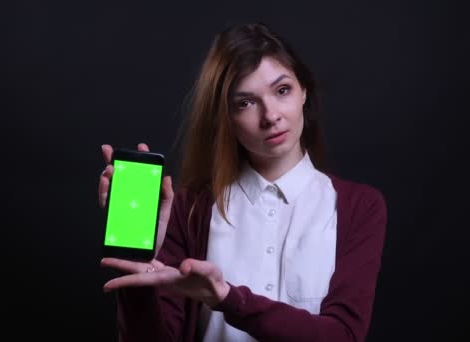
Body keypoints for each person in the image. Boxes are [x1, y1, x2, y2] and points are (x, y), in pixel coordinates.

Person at [98, 22, 387, 342]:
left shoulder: (360, 206)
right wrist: (139, 266)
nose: (271, 115)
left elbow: (343, 336)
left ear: (304, 90)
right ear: (225, 117)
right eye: (245, 102)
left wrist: (226, 297)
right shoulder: (190, 209)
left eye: (282, 90)